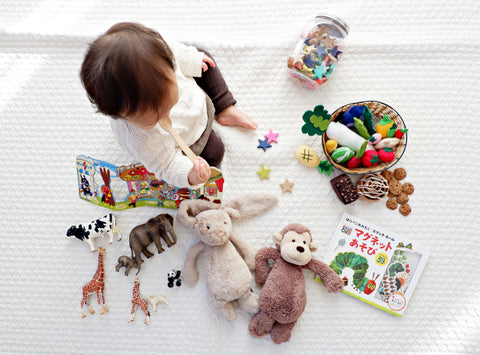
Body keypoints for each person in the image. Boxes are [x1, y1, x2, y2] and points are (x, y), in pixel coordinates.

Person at [80, 22, 257, 188]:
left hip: (197, 100)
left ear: (168, 65)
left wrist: (191, 60)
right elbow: (166, 165)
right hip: (188, 139)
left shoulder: (160, 54)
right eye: (153, 120)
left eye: (170, 104)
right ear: (120, 116)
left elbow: (177, 52)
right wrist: (190, 175)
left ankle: (225, 107)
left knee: (203, 61)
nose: (166, 116)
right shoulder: (140, 140)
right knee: (215, 152)